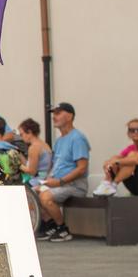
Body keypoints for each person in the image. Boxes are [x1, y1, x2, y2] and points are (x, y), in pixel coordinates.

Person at [36, 102, 90, 243]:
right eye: (54, 113)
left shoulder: (77, 138)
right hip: (58, 183)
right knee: (34, 193)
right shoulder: (59, 141)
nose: (54, 116)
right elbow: (55, 166)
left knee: (45, 197)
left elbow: (82, 168)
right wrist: (44, 182)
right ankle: (51, 225)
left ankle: (63, 229)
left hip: (74, 185)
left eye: (58, 113)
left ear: (70, 116)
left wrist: (60, 182)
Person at [94, 118, 138, 196]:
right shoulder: (130, 148)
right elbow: (116, 158)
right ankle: (107, 183)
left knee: (131, 157)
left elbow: (137, 160)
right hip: (136, 188)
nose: (136, 132)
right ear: (128, 134)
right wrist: (108, 163)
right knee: (118, 160)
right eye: (132, 130)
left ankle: (113, 185)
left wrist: (116, 162)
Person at [17, 117, 53, 186]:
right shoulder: (44, 144)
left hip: (36, 182)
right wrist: (19, 154)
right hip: (44, 179)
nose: (21, 137)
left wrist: (17, 165)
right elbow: (30, 165)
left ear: (29, 132)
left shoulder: (34, 148)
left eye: (22, 134)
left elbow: (31, 171)